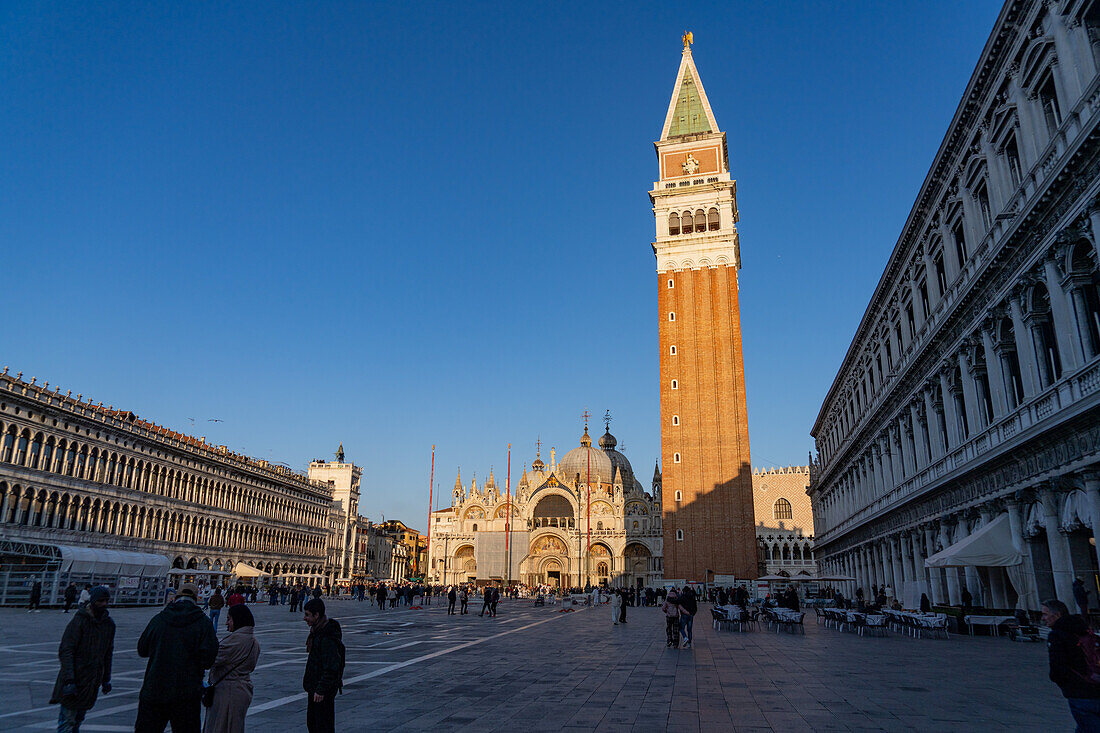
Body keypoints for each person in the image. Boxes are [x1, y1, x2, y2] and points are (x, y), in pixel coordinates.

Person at [135, 582, 219, 733]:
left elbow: (142, 649)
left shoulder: (159, 619)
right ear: (196, 598)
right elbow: (208, 660)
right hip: (187, 693)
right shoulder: (203, 623)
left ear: (177, 597)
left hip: (155, 688)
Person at [50, 586, 115, 733]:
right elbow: (66, 650)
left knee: (78, 720)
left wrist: (106, 679)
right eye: (100, 601)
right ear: (92, 602)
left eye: (106, 601)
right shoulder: (79, 621)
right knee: (68, 721)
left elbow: (108, 653)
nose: (104, 604)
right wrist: (69, 679)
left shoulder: (108, 624)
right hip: (75, 678)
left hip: (91, 680)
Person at [1043, 598, 1100, 730]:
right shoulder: (1084, 630)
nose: (1043, 618)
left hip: (1080, 692)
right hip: (1096, 685)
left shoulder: (1057, 635)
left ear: (1056, 615)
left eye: (1045, 614)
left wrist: (1067, 685)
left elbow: (1057, 669)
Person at [203, 605, 260, 733]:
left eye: (229, 619)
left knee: (221, 727)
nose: (226, 623)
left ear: (238, 620)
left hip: (227, 693)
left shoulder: (235, 640)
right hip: (241, 690)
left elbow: (211, 659)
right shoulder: (253, 641)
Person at [302, 599, 344, 733]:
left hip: (321, 690)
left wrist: (321, 689)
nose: (305, 618)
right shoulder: (317, 633)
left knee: (321, 726)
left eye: (308, 615)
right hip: (315, 688)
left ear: (317, 615)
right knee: (313, 723)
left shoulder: (326, 637)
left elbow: (332, 666)